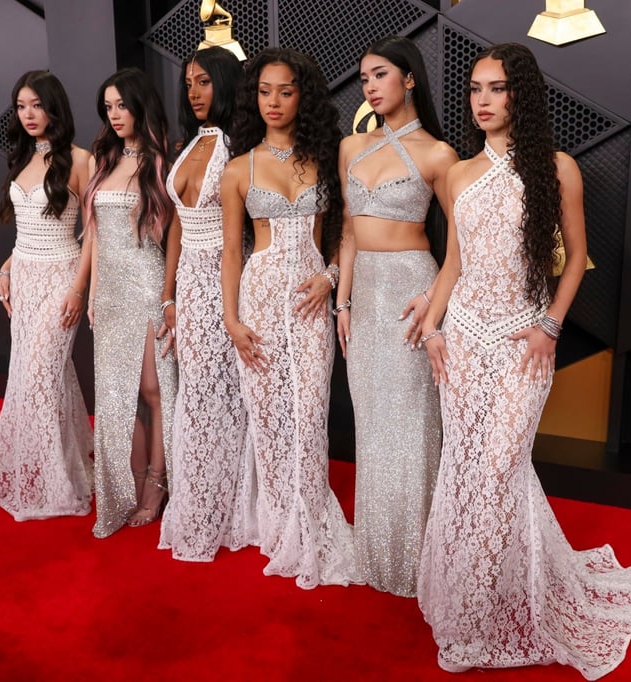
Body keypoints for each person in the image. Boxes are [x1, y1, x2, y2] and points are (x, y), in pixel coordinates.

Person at [417, 44, 631, 677]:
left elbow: (573, 259)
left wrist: (550, 327)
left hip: (524, 339)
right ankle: (470, 609)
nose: (483, 101)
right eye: (474, 89)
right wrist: (434, 325)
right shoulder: (458, 173)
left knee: (499, 467)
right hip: (462, 339)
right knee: (467, 469)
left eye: (496, 88)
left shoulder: (557, 168)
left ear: (521, 93)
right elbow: (456, 264)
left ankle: (484, 611)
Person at [220, 47, 358, 589]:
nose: (274, 101)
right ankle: (279, 526)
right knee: (271, 418)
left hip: (309, 303)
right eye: (264, 91)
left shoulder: (324, 159)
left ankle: (310, 524)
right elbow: (232, 251)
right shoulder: (238, 168)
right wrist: (231, 320)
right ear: (254, 97)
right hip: (257, 299)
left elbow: (340, 237)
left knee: (309, 414)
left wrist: (329, 279)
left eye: (286, 91)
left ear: (303, 97)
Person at [335, 35, 458, 597]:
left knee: (411, 427)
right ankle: (376, 551)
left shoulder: (438, 154)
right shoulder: (349, 148)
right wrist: (342, 300)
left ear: (409, 78)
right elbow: (347, 232)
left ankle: (418, 559)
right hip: (366, 298)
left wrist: (435, 295)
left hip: (412, 288)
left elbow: (465, 241)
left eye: (380, 74)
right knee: (373, 426)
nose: (370, 86)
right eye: (364, 78)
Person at [0, 71, 93, 520]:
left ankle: (51, 482)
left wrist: (78, 288)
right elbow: (27, 231)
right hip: (25, 278)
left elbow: (95, 233)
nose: (29, 115)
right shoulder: (22, 157)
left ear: (55, 108)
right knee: (37, 374)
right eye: (22, 106)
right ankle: (64, 464)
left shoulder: (81, 159)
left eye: (37, 105)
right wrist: (6, 268)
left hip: (62, 277)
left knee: (41, 377)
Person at [158, 46, 257, 561]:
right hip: (189, 287)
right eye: (188, 83)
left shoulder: (242, 148)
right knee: (197, 392)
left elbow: (244, 239)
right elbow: (176, 223)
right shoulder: (188, 143)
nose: (194, 92)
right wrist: (168, 294)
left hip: (228, 282)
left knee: (228, 395)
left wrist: (233, 305)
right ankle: (199, 499)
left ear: (225, 83)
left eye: (204, 82)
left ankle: (233, 504)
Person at [84, 67, 178, 538]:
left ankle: (157, 486)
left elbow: (170, 237)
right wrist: (93, 292)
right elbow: (96, 237)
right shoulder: (104, 160)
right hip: (112, 293)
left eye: (122, 105)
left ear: (140, 105)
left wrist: (167, 298)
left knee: (152, 391)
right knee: (116, 396)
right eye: (108, 107)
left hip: (145, 284)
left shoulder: (161, 162)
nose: (115, 115)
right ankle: (133, 483)